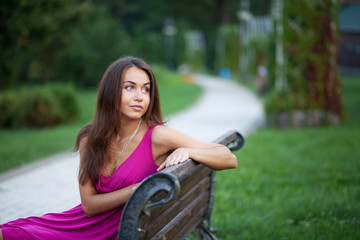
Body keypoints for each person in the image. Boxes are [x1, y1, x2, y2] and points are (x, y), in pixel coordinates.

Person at [0, 56, 237, 240]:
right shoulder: (89, 138)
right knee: (13, 229)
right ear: (111, 91)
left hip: (112, 234)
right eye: (130, 87)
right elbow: (90, 206)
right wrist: (140, 189)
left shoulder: (158, 136)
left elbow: (227, 156)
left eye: (146, 89)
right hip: (77, 225)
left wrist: (189, 151)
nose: (140, 97)